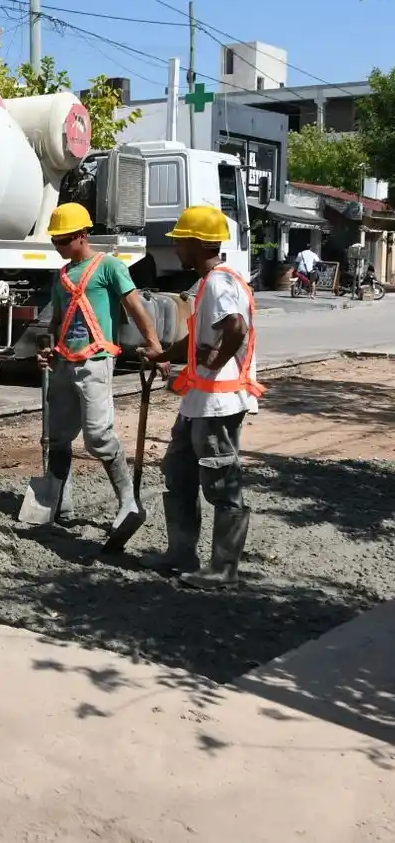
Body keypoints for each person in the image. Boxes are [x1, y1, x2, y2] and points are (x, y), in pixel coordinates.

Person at [143, 204, 263, 589]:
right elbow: (199, 339)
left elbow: (237, 328)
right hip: (198, 403)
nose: (176, 248)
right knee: (178, 475)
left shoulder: (219, 282)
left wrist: (216, 360)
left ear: (196, 243)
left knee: (221, 485)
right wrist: (162, 354)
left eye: (180, 242)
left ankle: (224, 570)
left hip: (218, 403)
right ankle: (181, 553)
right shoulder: (212, 281)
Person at [36, 203, 165, 545]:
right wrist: (48, 349)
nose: (58, 246)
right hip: (64, 362)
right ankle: (60, 506)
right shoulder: (62, 275)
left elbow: (134, 305)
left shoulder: (108, 266)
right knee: (59, 437)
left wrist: (154, 344)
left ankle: (127, 502)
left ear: (82, 235)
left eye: (62, 240)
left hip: (95, 360)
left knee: (98, 436)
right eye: (55, 241)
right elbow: (57, 319)